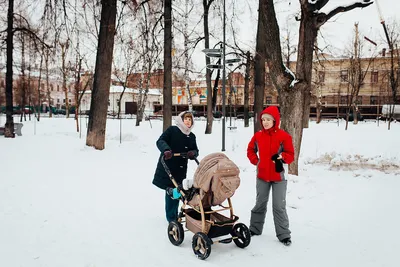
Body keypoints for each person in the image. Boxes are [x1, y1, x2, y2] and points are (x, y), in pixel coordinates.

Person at [246, 106, 295, 246]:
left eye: (268, 119)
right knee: (260, 203)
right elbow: (250, 150)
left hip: (279, 178)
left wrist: (281, 156)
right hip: (262, 176)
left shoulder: (284, 136)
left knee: (279, 206)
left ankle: (284, 235)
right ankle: (255, 229)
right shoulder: (258, 136)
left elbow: (291, 155)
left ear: (275, 120)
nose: (265, 122)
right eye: (263, 119)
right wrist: (256, 161)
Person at [152, 111, 199, 223]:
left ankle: (177, 212)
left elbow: (195, 150)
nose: (188, 121)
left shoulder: (191, 136)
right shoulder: (172, 130)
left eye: (190, 120)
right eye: (186, 119)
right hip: (168, 165)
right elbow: (160, 141)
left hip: (181, 168)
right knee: (172, 192)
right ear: (181, 120)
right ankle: (171, 218)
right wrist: (166, 150)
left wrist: (193, 153)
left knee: (180, 190)